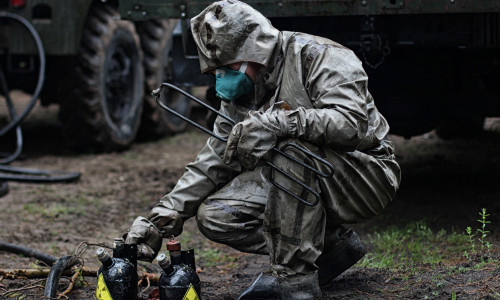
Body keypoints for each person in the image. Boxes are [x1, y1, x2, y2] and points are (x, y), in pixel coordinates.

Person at [124, 1, 401, 299]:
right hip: (302, 170)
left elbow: (352, 124)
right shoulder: (246, 90)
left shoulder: (321, 56)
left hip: (365, 174)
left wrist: (282, 123)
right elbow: (215, 157)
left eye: (226, 67)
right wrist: (165, 214)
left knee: (290, 148)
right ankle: (333, 247)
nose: (221, 78)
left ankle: (295, 282)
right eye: (215, 70)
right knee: (217, 216)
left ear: (253, 50)